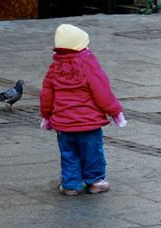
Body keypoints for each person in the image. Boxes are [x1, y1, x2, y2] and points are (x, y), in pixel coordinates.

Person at [40, 24, 127, 196]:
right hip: (89, 122)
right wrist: (115, 112)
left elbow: (47, 94)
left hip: (64, 124)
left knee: (69, 154)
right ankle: (95, 181)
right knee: (92, 152)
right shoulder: (88, 62)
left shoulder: (55, 66)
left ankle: (70, 185)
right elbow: (102, 90)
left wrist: (46, 115)